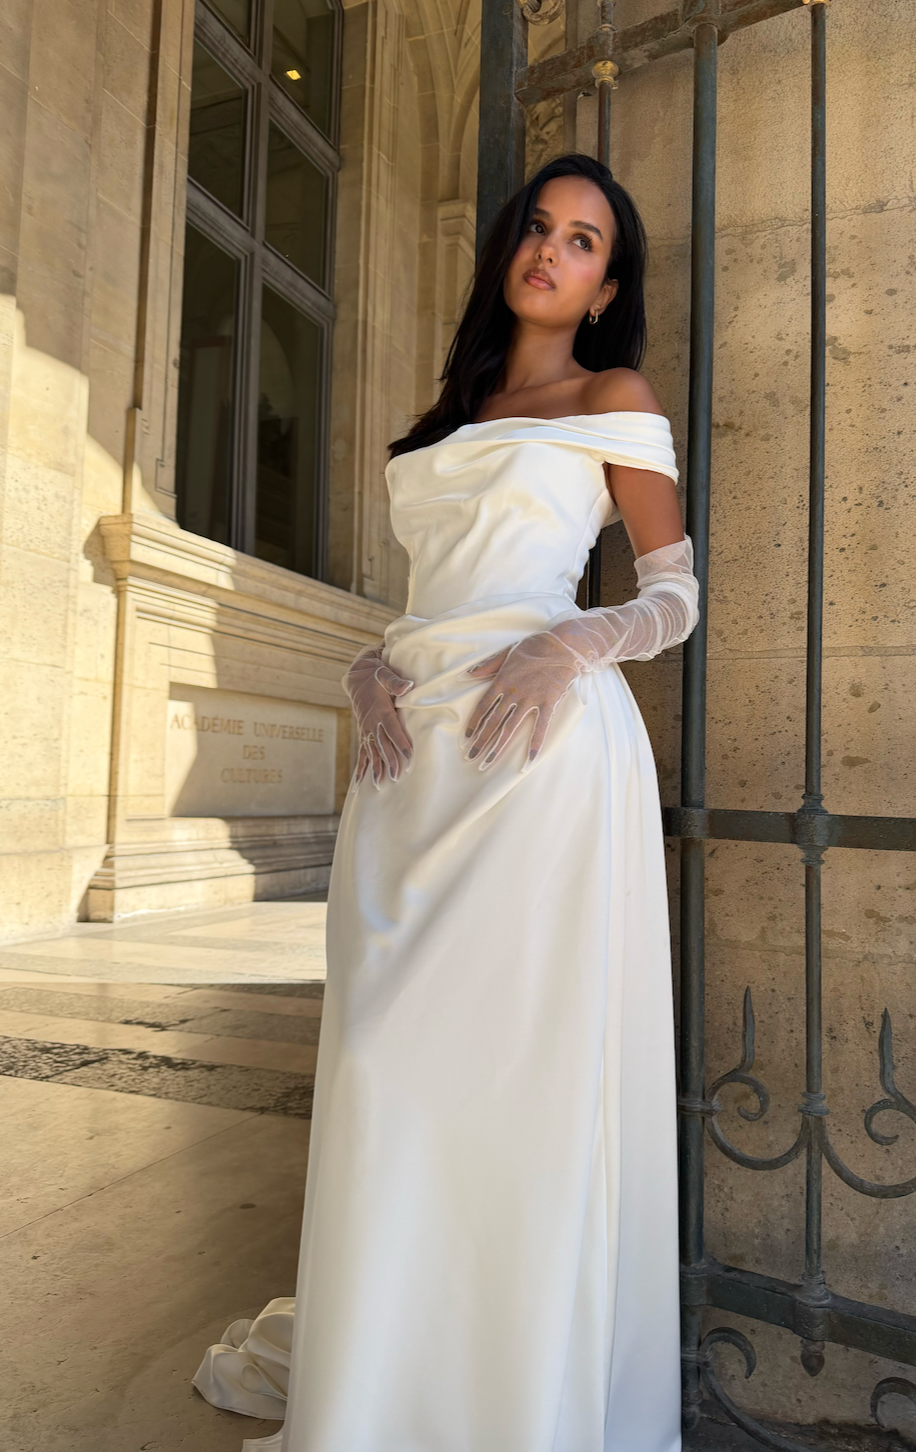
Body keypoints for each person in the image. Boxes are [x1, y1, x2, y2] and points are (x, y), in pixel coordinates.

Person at [193, 151, 699, 1452]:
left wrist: (577, 642)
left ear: (605, 284)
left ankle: (506, 1400)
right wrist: (371, 660)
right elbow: (429, 595)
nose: (552, 249)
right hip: (408, 760)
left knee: (508, 1083)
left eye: (584, 239)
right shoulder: (448, 411)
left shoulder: (613, 397)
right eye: (538, 227)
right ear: (507, 250)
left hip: (535, 751)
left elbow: (677, 593)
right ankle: (388, 1382)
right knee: (382, 1070)